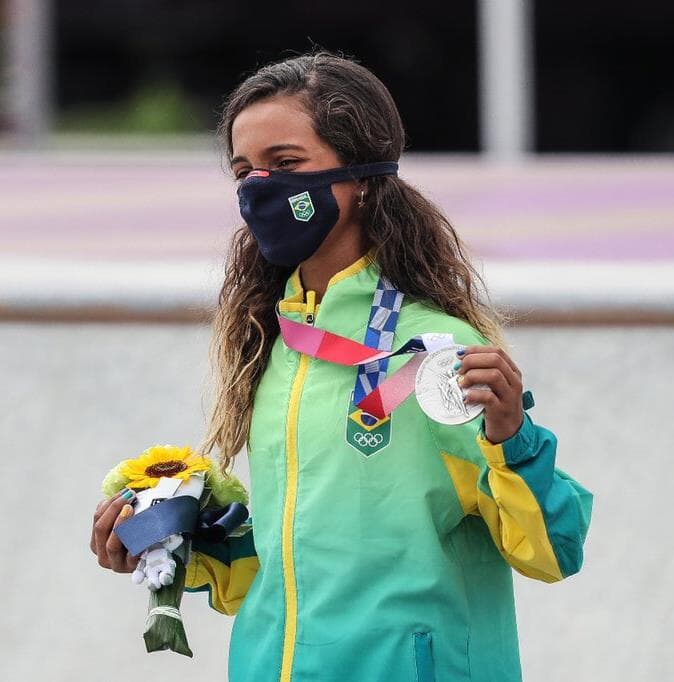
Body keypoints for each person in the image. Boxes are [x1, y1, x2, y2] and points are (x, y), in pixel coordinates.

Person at [91, 51, 593, 682]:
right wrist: (174, 539)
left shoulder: (436, 350)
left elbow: (551, 550)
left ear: (361, 175)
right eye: (243, 171)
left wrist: (512, 437)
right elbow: (292, 566)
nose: (257, 188)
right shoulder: (275, 346)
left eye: (286, 165)